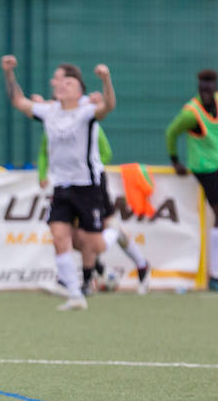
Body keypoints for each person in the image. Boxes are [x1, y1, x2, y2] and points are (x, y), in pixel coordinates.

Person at [1, 55, 115, 311]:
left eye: (69, 83)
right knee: (58, 236)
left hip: (88, 186)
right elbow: (18, 101)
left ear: (80, 90)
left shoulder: (86, 112)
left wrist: (106, 79)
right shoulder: (49, 112)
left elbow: (108, 106)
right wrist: (9, 73)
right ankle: (75, 295)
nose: (61, 85)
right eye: (60, 82)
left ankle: (115, 233)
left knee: (93, 244)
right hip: (62, 186)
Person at [33, 91, 151, 295]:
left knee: (101, 231)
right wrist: (43, 173)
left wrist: (88, 171)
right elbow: (45, 150)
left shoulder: (87, 119)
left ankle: (138, 265)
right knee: (71, 234)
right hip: (68, 186)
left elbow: (105, 153)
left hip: (92, 185)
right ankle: (89, 274)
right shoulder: (54, 119)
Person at [165, 69, 218, 294]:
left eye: (211, 86)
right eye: (203, 86)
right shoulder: (190, 113)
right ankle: (215, 276)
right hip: (205, 168)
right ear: (199, 88)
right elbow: (171, 132)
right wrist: (175, 160)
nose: (207, 91)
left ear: (217, 87)